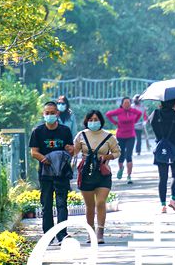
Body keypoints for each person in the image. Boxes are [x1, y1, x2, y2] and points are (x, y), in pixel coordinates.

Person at [30, 101, 75, 242]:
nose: (50, 115)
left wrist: (70, 150)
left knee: (62, 204)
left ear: (57, 114)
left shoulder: (65, 131)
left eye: (52, 113)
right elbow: (34, 152)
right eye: (47, 113)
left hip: (62, 173)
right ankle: (48, 235)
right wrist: (44, 159)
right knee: (47, 204)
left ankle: (62, 234)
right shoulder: (37, 131)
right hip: (45, 173)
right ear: (43, 114)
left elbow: (71, 150)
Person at [73, 110, 121, 243]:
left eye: (96, 119)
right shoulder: (81, 135)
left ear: (101, 120)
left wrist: (106, 157)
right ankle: (90, 232)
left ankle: (100, 232)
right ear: (86, 121)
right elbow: (74, 151)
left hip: (103, 173)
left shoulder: (108, 136)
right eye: (91, 120)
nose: (93, 122)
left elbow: (117, 152)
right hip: (86, 173)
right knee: (89, 205)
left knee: (100, 202)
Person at [151, 99, 175, 213]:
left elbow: (153, 126)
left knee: (163, 177)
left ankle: (163, 205)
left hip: (161, 148)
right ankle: (173, 200)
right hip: (174, 148)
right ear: (173, 103)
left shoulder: (155, 114)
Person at [105, 96, 142, 184]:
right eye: (125, 103)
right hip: (120, 135)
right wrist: (115, 123)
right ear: (122, 104)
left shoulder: (133, 111)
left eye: (128, 103)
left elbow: (140, 113)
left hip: (131, 135)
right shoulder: (119, 111)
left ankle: (129, 176)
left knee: (129, 155)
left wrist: (134, 122)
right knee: (121, 155)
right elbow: (108, 114)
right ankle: (121, 168)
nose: (127, 105)